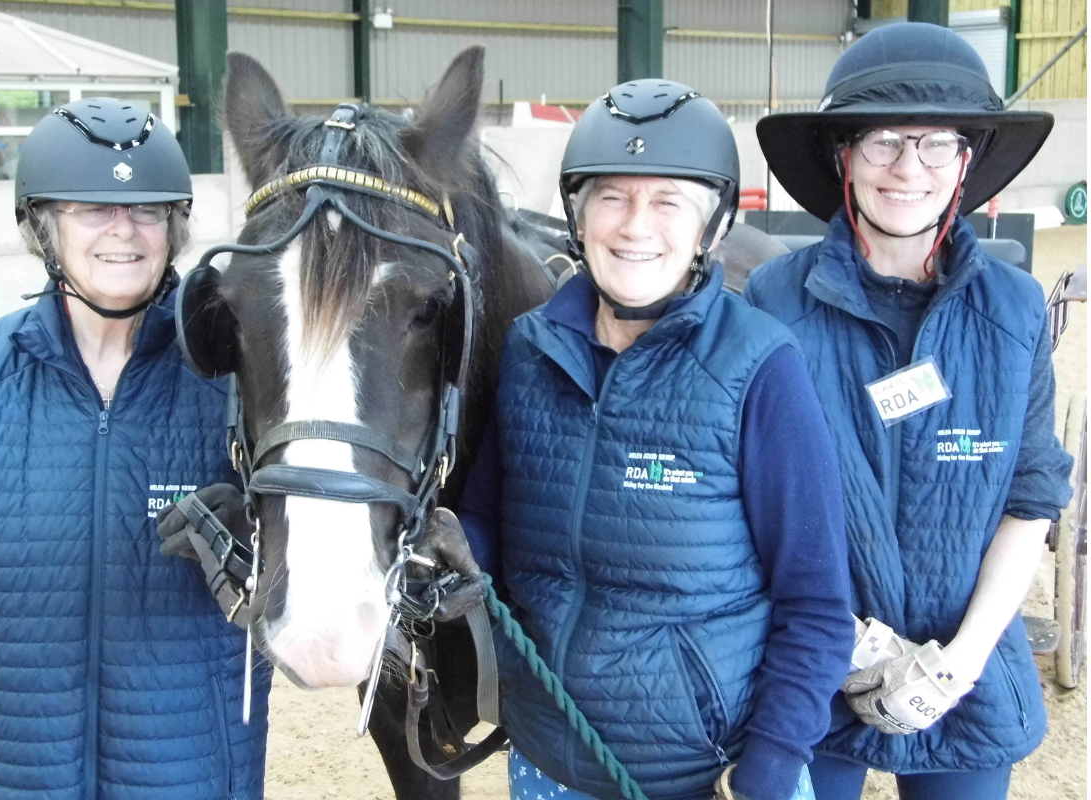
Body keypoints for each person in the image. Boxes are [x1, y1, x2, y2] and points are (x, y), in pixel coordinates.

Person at [454, 81, 854, 800]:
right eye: (612, 197)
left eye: (668, 201)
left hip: (708, 776)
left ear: (711, 227)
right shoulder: (527, 351)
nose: (635, 226)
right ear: (578, 216)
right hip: (550, 761)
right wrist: (446, 551)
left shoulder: (762, 368)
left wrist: (770, 765)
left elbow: (817, 602)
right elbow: (486, 524)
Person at [0, 98, 270, 800]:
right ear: (44, 225)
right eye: (93, 209)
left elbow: (316, 579)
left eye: (148, 210)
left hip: (187, 769)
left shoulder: (237, 372)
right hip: (8, 770)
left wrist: (263, 550)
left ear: (175, 226)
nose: (124, 231)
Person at [744, 22, 1074, 800]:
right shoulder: (773, 302)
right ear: (844, 155)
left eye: (936, 145)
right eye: (885, 140)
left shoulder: (1016, 311)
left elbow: (1029, 500)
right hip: (815, 660)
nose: (908, 168)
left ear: (966, 161)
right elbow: (753, 495)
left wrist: (959, 662)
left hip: (966, 670)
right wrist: (849, 644)